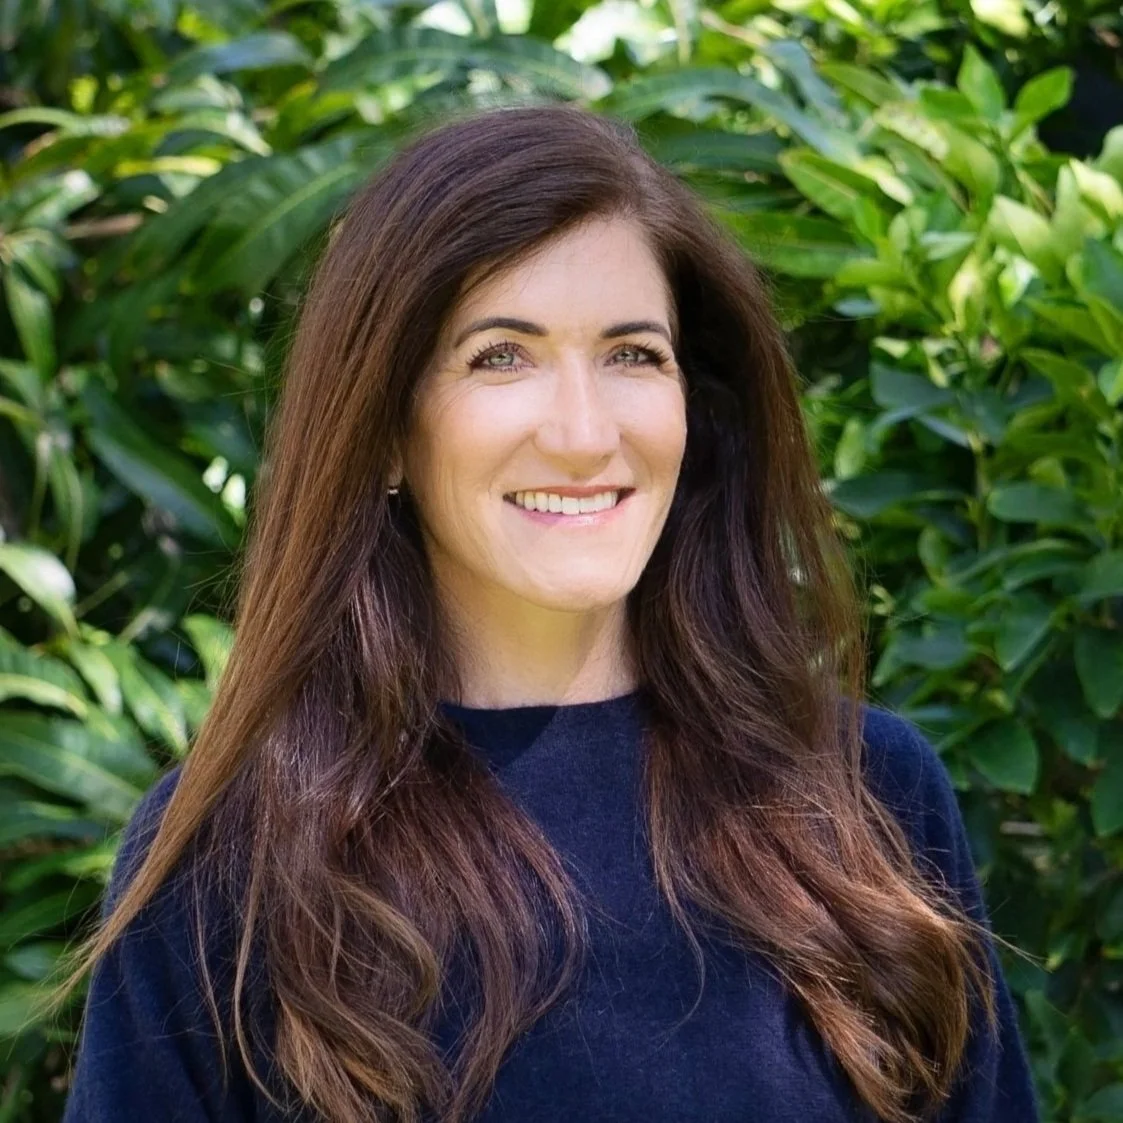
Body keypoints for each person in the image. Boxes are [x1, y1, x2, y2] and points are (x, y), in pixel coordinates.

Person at [54, 102, 1039, 1123]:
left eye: (632, 354)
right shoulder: (234, 859)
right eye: (501, 355)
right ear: (385, 432)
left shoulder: (865, 798)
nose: (582, 432)